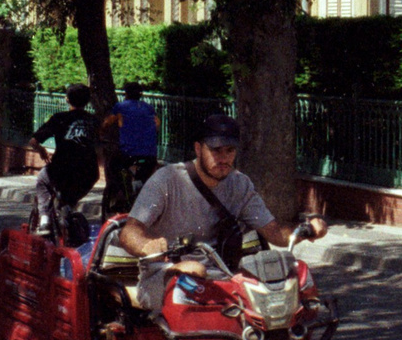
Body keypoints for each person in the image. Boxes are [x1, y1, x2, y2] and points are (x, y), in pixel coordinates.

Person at [114, 113, 325, 311]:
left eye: (229, 151)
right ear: (198, 149)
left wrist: (307, 229)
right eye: (215, 150)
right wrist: (146, 245)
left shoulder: (239, 184)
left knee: (287, 285)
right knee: (194, 275)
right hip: (164, 276)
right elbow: (129, 233)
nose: (223, 158)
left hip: (223, 278)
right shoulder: (167, 181)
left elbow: (275, 233)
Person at [29, 83, 103, 237]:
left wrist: (42, 151)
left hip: (62, 170)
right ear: (87, 101)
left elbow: (33, 142)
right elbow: (100, 146)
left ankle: (44, 221)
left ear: (67, 99)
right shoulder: (94, 121)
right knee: (71, 194)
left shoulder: (60, 118)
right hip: (89, 173)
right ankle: (68, 208)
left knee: (43, 180)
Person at [104, 81, 161, 212]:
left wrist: (102, 132)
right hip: (150, 154)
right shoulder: (149, 108)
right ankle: (140, 188)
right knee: (144, 174)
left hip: (128, 153)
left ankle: (125, 194)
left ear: (125, 93)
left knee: (115, 166)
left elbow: (108, 122)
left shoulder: (120, 107)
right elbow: (157, 125)